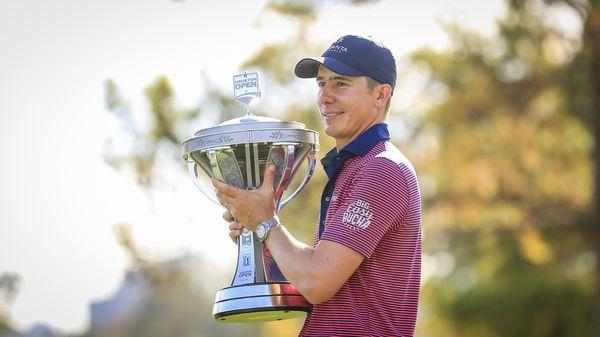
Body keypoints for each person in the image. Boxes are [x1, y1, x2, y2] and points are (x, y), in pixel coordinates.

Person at [213, 35, 422, 337]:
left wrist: (265, 221)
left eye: (341, 84)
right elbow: (307, 281)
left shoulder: (383, 170)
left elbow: (316, 282)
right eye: (321, 84)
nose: (325, 97)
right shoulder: (355, 167)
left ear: (380, 95)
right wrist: (258, 237)